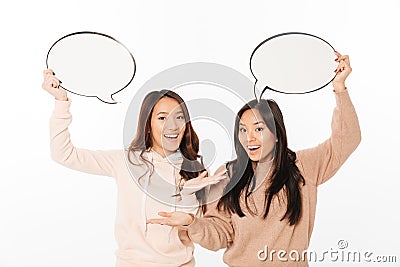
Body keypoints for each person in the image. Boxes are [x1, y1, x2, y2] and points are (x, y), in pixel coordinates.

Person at [146, 52, 362, 266]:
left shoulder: (304, 166)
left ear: (277, 134)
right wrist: (192, 223)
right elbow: (220, 234)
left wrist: (340, 88)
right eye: (242, 130)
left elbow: (347, 139)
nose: (249, 138)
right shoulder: (228, 175)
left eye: (258, 129)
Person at [42, 69, 226, 267]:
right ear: (148, 124)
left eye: (179, 117)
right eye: (162, 118)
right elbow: (64, 154)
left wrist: (189, 197)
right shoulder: (126, 162)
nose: (172, 126)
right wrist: (61, 103)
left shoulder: (196, 173)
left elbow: (205, 232)